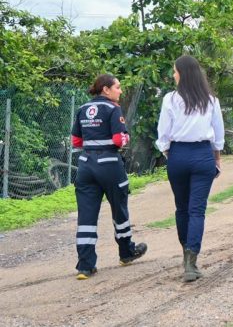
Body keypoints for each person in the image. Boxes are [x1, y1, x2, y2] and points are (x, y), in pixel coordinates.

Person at [71, 74, 147, 280]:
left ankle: (85, 266)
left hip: (86, 166)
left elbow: (76, 141)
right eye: (117, 87)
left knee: (86, 217)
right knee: (119, 209)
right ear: (106, 89)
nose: (120, 91)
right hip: (110, 165)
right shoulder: (113, 109)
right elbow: (119, 140)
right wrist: (126, 137)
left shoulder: (82, 109)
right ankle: (126, 253)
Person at [156, 55, 224, 282]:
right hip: (203, 154)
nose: (173, 75)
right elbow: (218, 133)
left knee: (182, 208)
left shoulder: (170, 99)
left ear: (182, 74)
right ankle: (191, 262)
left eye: (175, 71)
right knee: (197, 210)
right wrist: (216, 158)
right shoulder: (211, 100)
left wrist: (169, 152)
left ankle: (186, 252)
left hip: (178, 154)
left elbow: (163, 132)